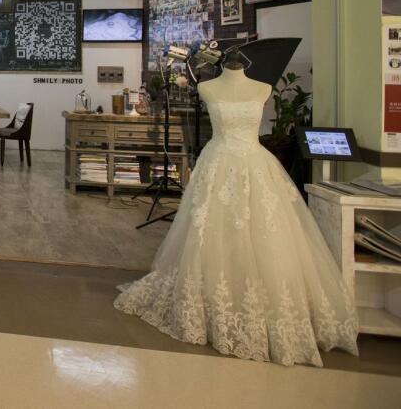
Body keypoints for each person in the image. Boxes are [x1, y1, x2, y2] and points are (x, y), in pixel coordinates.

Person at [114, 58, 358, 366]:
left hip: (255, 166)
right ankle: (211, 301)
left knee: (266, 234)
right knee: (213, 233)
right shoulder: (207, 88)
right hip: (218, 165)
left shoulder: (263, 88)